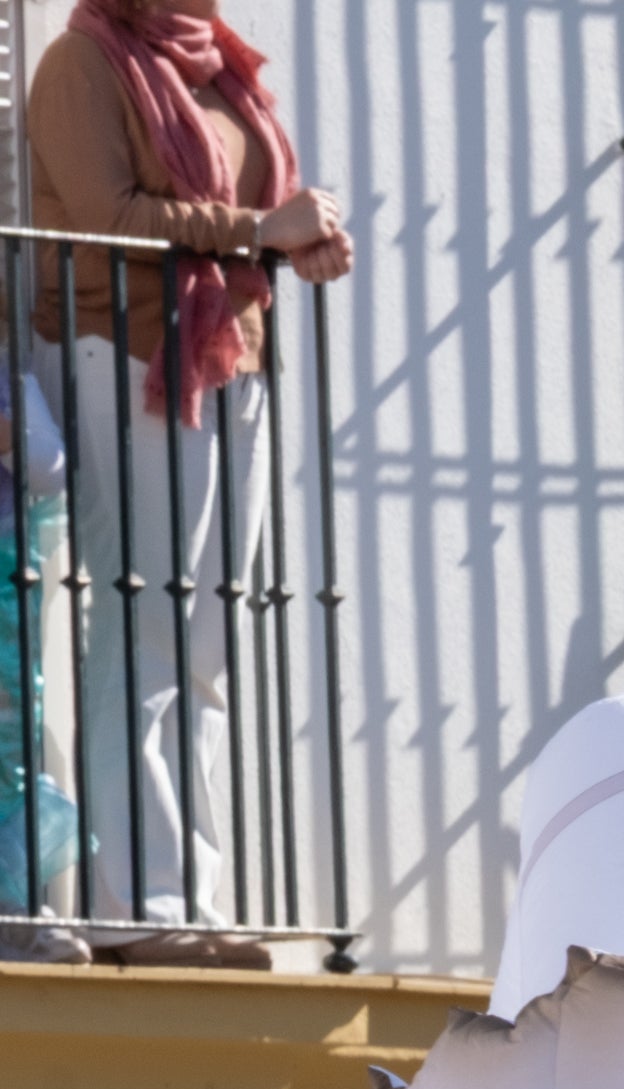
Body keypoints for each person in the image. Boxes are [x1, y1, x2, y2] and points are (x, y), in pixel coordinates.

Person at [29, 0, 355, 967]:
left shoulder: (218, 67)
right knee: (143, 632)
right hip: (118, 354)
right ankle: (138, 907)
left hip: (225, 362)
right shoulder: (79, 62)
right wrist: (261, 227)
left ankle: (192, 899)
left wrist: (298, 241)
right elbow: (109, 215)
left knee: (204, 640)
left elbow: (256, 210)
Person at [0, 372, 81, 964]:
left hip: (4, 582)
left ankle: (21, 916)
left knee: (9, 750)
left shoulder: (10, 372)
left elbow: (48, 466)